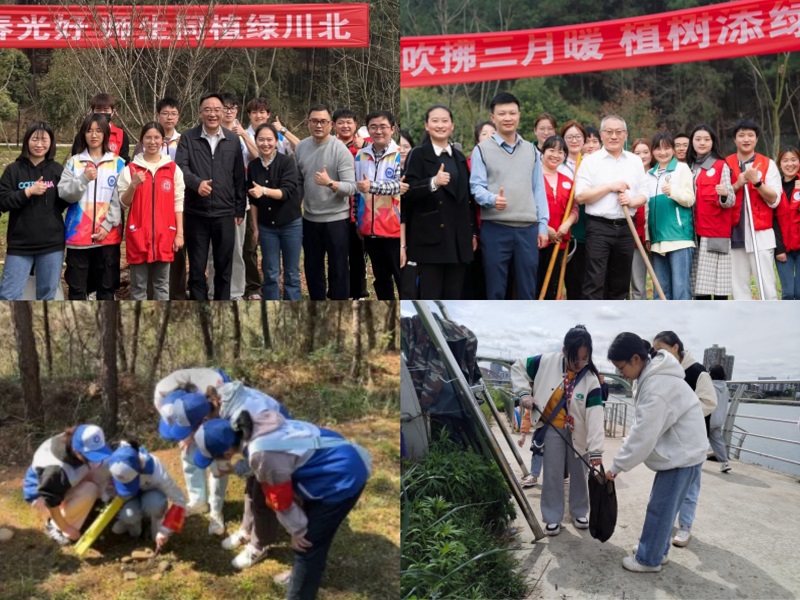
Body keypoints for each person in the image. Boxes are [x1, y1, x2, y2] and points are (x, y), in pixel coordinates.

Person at [192, 410, 369, 593]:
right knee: (315, 538)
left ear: (227, 452)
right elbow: (264, 464)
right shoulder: (253, 425)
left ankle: (301, 590)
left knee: (306, 547)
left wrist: (298, 530)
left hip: (342, 477)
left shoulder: (262, 454)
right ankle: (305, 575)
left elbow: (280, 499)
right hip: (339, 456)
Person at [605, 333, 707, 573]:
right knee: (663, 507)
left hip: (682, 457)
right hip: (684, 453)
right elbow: (643, 428)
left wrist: (616, 466)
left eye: (621, 368)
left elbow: (643, 435)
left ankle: (648, 559)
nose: (621, 374)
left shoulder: (657, 386)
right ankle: (656, 551)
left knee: (660, 509)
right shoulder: (653, 375)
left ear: (636, 359)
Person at [511, 325, 605, 536]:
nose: (580, 364)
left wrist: (597, 450)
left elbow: (596, 416)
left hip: (578, 431)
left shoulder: (590, 379)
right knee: (552, 473)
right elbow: (517, 367)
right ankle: (553, 517)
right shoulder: (546, 361)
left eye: (585, 358)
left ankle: (579, 511)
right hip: (553, 428)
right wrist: (524, 393)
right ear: (564, 351)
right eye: (575, 359)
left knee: (580, 473)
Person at [469, 92, 549, 299]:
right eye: (502, 113)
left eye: (512, 113)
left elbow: (538, 190)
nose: (508, 118)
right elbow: (476, 187)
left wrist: (542, 226)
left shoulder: (531, 151)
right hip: (496, 229)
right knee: (495, 288)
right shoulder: (482, 150)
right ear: (492, 117)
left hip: (527, 229)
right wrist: (492, 199)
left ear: (519, 115)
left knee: (527, 289)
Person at [175, 92, 246, 300]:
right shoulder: (189, 137)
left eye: (217, 109)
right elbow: (180, 167)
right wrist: (197, 184)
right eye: (208, 109)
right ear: (200, 113)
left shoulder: (233, 139)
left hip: (225, 213)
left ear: (223, 112)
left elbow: (239, 177)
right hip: (196, 213)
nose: (213, 114)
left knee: (224, 268)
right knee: (197, 269)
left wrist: (239, 208)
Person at [652, 331, 716, 549]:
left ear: (676, 347)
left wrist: (681, 412)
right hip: (671, 438)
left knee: (690, 487)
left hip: (693, 439)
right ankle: (668, 523)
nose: (658, 354)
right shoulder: (666, 371)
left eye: (661, 349)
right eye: (655, 351)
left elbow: (709, 402)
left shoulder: (698, 372)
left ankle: (686, 526)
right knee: (670, 485)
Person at [403, 105, 475, 299]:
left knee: (454, 297)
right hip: (430, 239)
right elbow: (407, 192)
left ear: (452, 125)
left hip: (458, 239)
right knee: (431, 295)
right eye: (435, 121)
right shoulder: (418, 154)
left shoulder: (459, 157)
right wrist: (433, 182)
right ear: (426, 125)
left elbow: (467, 199)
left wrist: (472, 232)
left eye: (445, 121)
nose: (440, 125)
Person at [575, 115, 648, 299]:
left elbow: (644, 194)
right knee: (595, 280)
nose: (613, 136)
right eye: (609, 132)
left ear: (626, 134)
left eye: (618, 132)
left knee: (620, 282)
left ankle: (616, 324)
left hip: (626, 228)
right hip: (599, 228)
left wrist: (631, 202)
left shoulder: (635, 161)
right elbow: (581, 196)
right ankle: (590, 323)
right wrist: (609, 187)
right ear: (601, 134)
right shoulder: (590, 161)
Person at [295, 103, 358, 300]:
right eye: (314, 121)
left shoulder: (340, 150)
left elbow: (352, 187)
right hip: (310, 218)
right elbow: (297, 182)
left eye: (323, 121)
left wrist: (330, 183)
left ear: (330, 124)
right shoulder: (301, 147)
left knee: (338, 267)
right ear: (308, 123)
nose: (318, 125)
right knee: (312, 267)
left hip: (336, 219)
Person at [58, 114, 124, 300]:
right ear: (83, 134)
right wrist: (84, 178)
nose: (93, 135)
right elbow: (65, 194)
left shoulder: (118, 163)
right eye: (89, 131)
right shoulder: (74, 162)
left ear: (105, 134)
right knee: (77, 290)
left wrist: (108, 224)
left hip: (108, 237)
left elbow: (119, 199)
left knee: (106, 290)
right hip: (78, 237)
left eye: (98, 131)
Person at [118, 122, 185, 300]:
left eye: (157, 137)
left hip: (165, 236)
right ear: (141, 140)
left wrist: (180, 233)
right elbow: (123, 204)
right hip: (138, 236)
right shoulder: (131, 169)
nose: (152, 141)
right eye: (148, 137)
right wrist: (133, 185)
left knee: (162, 286)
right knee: (138, 287)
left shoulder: (172, 169)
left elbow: (178, 203)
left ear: (163, 141)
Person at [0, 121, 67, 300]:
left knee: (47, 295)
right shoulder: (13, 170)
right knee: (8, 295)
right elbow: (3, 202)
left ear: (51, 143)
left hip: (52, 244)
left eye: (44, 140)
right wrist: (27, 192)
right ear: (26, 141)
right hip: (20, 245)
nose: (39, 145)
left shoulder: (56, 170)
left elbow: (65, 201)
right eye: (35, 139)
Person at [23, 424, 113, 546]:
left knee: (100, 470)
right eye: (89, 456)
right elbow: (51, 501)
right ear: (77, 450)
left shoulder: (79, 437)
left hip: (62, 481)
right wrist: (65, 528)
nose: (93, 459)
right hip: (41, 494)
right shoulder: (56, 470)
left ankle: (81, 508)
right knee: (90, 490)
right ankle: (54, 526)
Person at [725, 118, 781, 300]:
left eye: (750, 135)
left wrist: (757, 182)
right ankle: (744, 323)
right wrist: (737, 184)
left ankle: (771, 321)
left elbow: (774, 199)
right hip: (733, 234)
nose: (746, 139)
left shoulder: (768, 164)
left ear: (756, 139)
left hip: (760, 235)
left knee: (766, 286)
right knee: (738, 288)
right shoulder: (725, 164)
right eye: (741, 135)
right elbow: (720, 196)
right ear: (735, 140)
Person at [248, 123, 301, 300]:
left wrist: (264, 190)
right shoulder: (254, 166)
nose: (265, 144)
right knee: (270, 272)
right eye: (261, 139)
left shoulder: (287, 162)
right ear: (255, 141)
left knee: (292, 273)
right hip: (266, 226)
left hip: (290, 224)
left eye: (270, 139)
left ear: (276, 141)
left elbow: (286, 193)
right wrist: (255, 228)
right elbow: (254, 201)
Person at [354, 110, 402, 300]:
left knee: (401, 277)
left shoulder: (400, 154)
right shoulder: (361, 155)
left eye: (383, 127)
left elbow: (400, 185)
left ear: (392, 129)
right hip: (370, 228)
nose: (378, 131)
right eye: (373, 127)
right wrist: (358, 220)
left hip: (394, 228)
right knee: (381, 279)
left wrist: (372, 186)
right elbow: (357, 191)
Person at [686, 124, 736, 300]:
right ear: (692, 142)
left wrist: (724, 194)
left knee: (718, 287)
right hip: (693, 233)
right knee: (699, 289)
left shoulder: (720, 165)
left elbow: (730, 200)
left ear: (713, 142)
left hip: (714, 232)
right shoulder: (688, 167)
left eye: (706, 139)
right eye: (698, 139)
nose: (702, 143)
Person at [645, 132, 697, 300]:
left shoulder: (682, 168)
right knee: (660, 291)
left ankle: (683, 325)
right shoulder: (649, 175)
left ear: (674, 150)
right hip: (657, 240)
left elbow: (690, 199)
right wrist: (647, 236)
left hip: (679, 237)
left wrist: (672, 192)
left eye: (667, 148)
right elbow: (647, 209)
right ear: (653, 151)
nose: (662, 152)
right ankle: (662, 325)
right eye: (658, 148)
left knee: (680, 288)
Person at [108, 442, 186, 550]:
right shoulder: (114, 464)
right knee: (129, 516)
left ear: (139, 468)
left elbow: (179, 500)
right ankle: (134, 532)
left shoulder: (156, 470)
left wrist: (165, 530)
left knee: (155, 505)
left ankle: (156, 530)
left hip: (153, 494)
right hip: (131, 497)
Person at [332, 108, 369, 300]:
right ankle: (337, 292)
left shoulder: (364, 146)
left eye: (349, 122)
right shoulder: (330, 145)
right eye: (341, 122)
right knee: (337, 254)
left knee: (357, 255)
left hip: (358, 209)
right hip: (334, 208)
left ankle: (359, 292)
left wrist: (364, 145)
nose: (345, 126)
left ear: (355, 125)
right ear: (334, 125)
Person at [537, 135, 578, 299]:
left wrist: (567, 224)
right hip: (537, 239)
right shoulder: (534, 177)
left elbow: (574, 208)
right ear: (543, 151)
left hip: (559, 240)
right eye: (551, 150)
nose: (555, 155)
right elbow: (528, 206)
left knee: (553, 287)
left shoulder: (569, 181)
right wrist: (545, 228)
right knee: (534, 283)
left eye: (560, 152)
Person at [565, 125, 601, 299]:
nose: (591, 145)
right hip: (576, 228)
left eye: (595, 141)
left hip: (599, 230)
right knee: (575, 278)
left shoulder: (604, 166)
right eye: (587, 141)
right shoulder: (571, 164)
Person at [71, 92, 130, 164]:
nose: (102, 113)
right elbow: (76, 158)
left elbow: (124, 162)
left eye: (106, 110)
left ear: (113, 112)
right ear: (93, 111)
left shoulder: (121, 135)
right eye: (98, 110)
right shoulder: (83, 134)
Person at [775, 146, 800, 299]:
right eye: (785, 160)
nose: (790, 164)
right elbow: (772, 219)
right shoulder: (774, 186)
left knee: (799, 293)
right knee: (788, 293)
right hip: (783, 248)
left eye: (794, 160)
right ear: (780, 164)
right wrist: (779, 248)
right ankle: (786, 323)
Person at [630, 137, 653, 300]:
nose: (642, 156)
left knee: (661, 281)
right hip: (634, 237)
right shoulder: (630, 176)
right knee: (637, 284)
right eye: (637, 153)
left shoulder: (659, 174)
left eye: (645, 152)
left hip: (656, 235)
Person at [708, 365, 732, 473]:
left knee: (697, 439)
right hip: (719, 420)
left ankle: (693, 461)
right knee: (717, 441)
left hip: (709, 418)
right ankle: (724, 462)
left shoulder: (710, 386)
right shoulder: (725, 388)